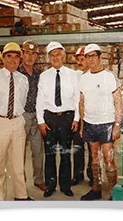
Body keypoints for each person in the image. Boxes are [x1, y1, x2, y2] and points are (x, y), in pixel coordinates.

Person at [0, 42, 34, 201]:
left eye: (16, 57)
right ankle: (0, 199)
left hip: (18, 122)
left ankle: (21, 196)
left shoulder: (23, 79)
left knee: (18, 164)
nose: (13, 60)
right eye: (9, 56)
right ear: (2, 57)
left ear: (20, 59)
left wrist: (16, 118)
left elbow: (22, 102)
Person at [79, 43, 123, 201]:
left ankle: (114, 193)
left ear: (100, 57)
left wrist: (117, 125)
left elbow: (118, 102)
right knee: (94, 158)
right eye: (87, 56)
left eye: (93, 56)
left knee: (108, 159)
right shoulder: (83, 78)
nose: (90, 59)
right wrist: (83, 126)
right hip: (90, 124)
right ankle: (96, 189)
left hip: (107, 124)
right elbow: (82, 103)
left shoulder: (109, 76)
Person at [36, 41, 80, 198]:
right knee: (49, 154)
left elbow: (77, 99)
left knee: (65, 153)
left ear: (64, 56)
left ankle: (65, 185)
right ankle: (50, 185)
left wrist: (76, 119)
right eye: (52, 55)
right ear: (49, 58)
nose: (55, 57)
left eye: (58, 54)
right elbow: (39, 100)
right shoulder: (44, 76)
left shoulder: (73, 75)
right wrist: (40, 120)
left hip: (66, 118)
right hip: (49, 119)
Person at [18, 40, 46, 192]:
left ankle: (39, 179)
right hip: (21, 117)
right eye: (26, 53)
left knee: (37, 150)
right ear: (22, 54)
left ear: (37, 56)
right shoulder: (15, 72)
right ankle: (20, 182)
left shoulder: (39, 74)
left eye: (33, 53)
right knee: (19, 152)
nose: (29, 56)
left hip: (36, 116)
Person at [71, 46, 93, 187]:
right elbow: (74, 99)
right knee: (77, 148)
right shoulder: (75, 76)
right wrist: (75, 118)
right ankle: (77, 175)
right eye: (78, 60)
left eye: (82, 59)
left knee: (92, 149)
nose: (79, 62)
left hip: (92, 119)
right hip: (78, 118)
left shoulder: (95, 76)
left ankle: (92, 176)